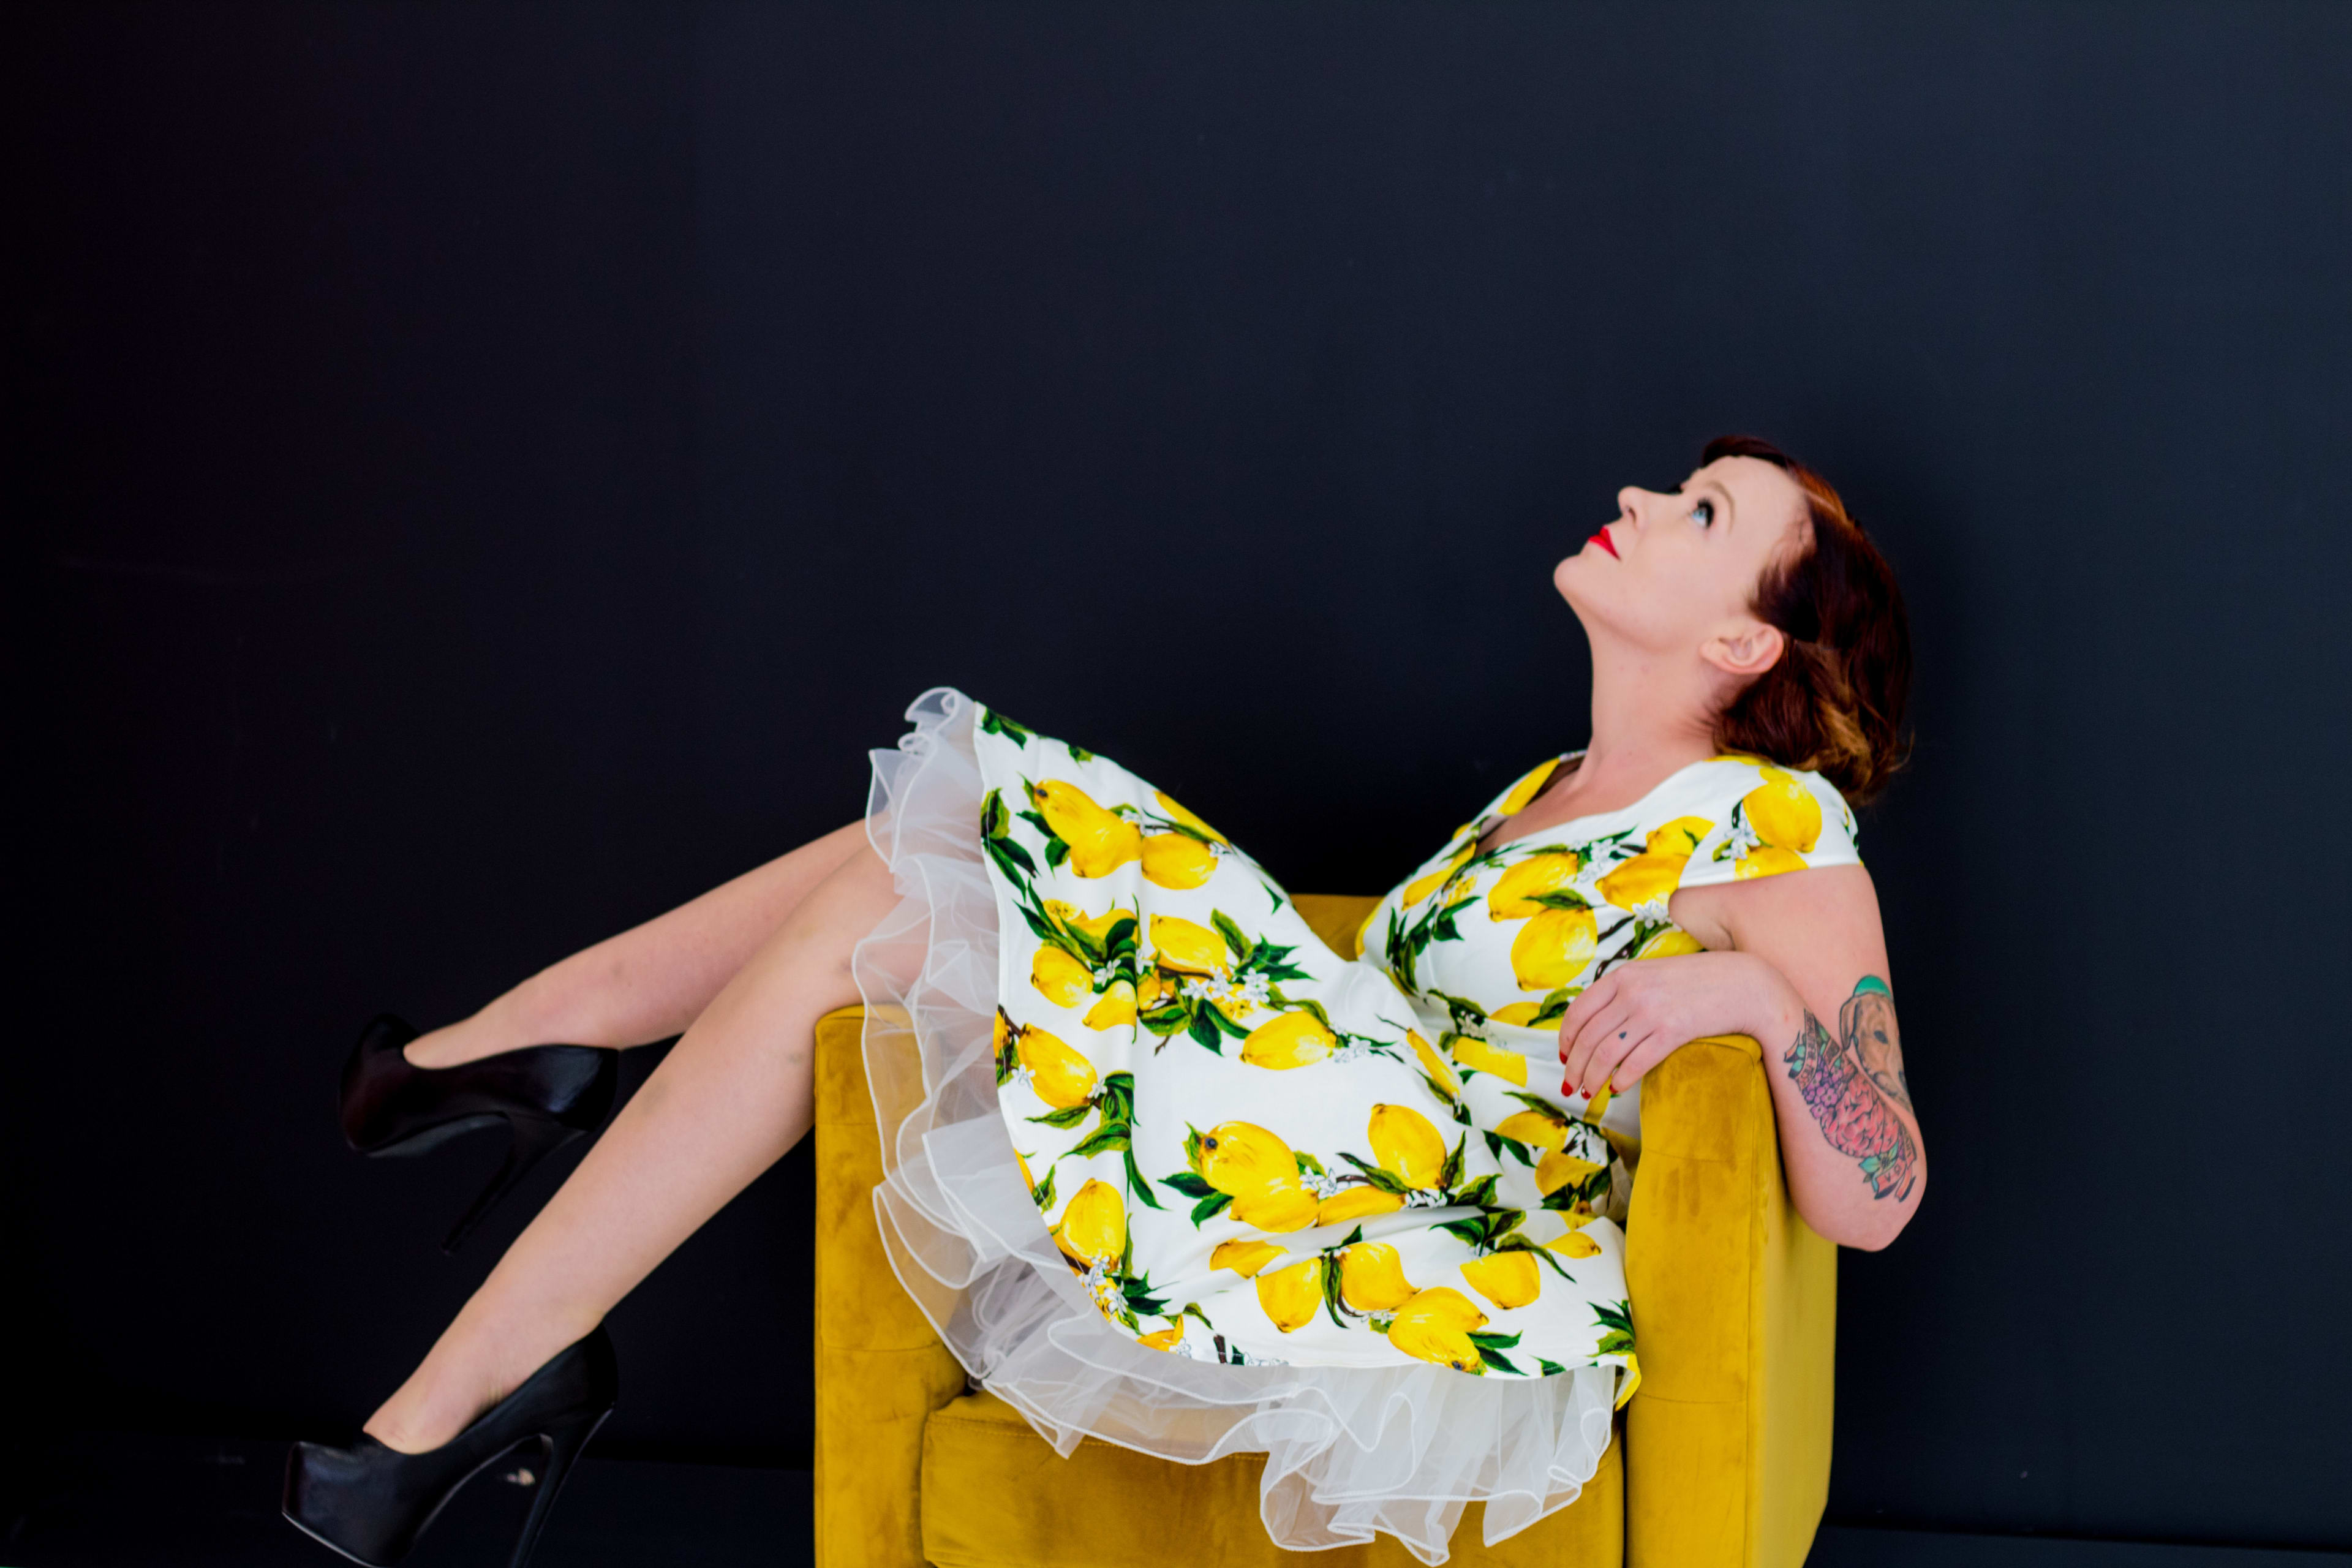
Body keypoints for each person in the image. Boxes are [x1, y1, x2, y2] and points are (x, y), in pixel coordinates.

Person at [283, 434, 1923, 1567]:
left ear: (1744, 644)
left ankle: (508, 1086)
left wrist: (1759, 1014)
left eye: (1704, 512)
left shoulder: (1772, 832)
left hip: (1436, 1199)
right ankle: (476, 1293)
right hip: (1345, 1104)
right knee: (911, 888)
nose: (1641, 495)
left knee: (995, 820)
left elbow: (1882, 1195)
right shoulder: (1543, 792)